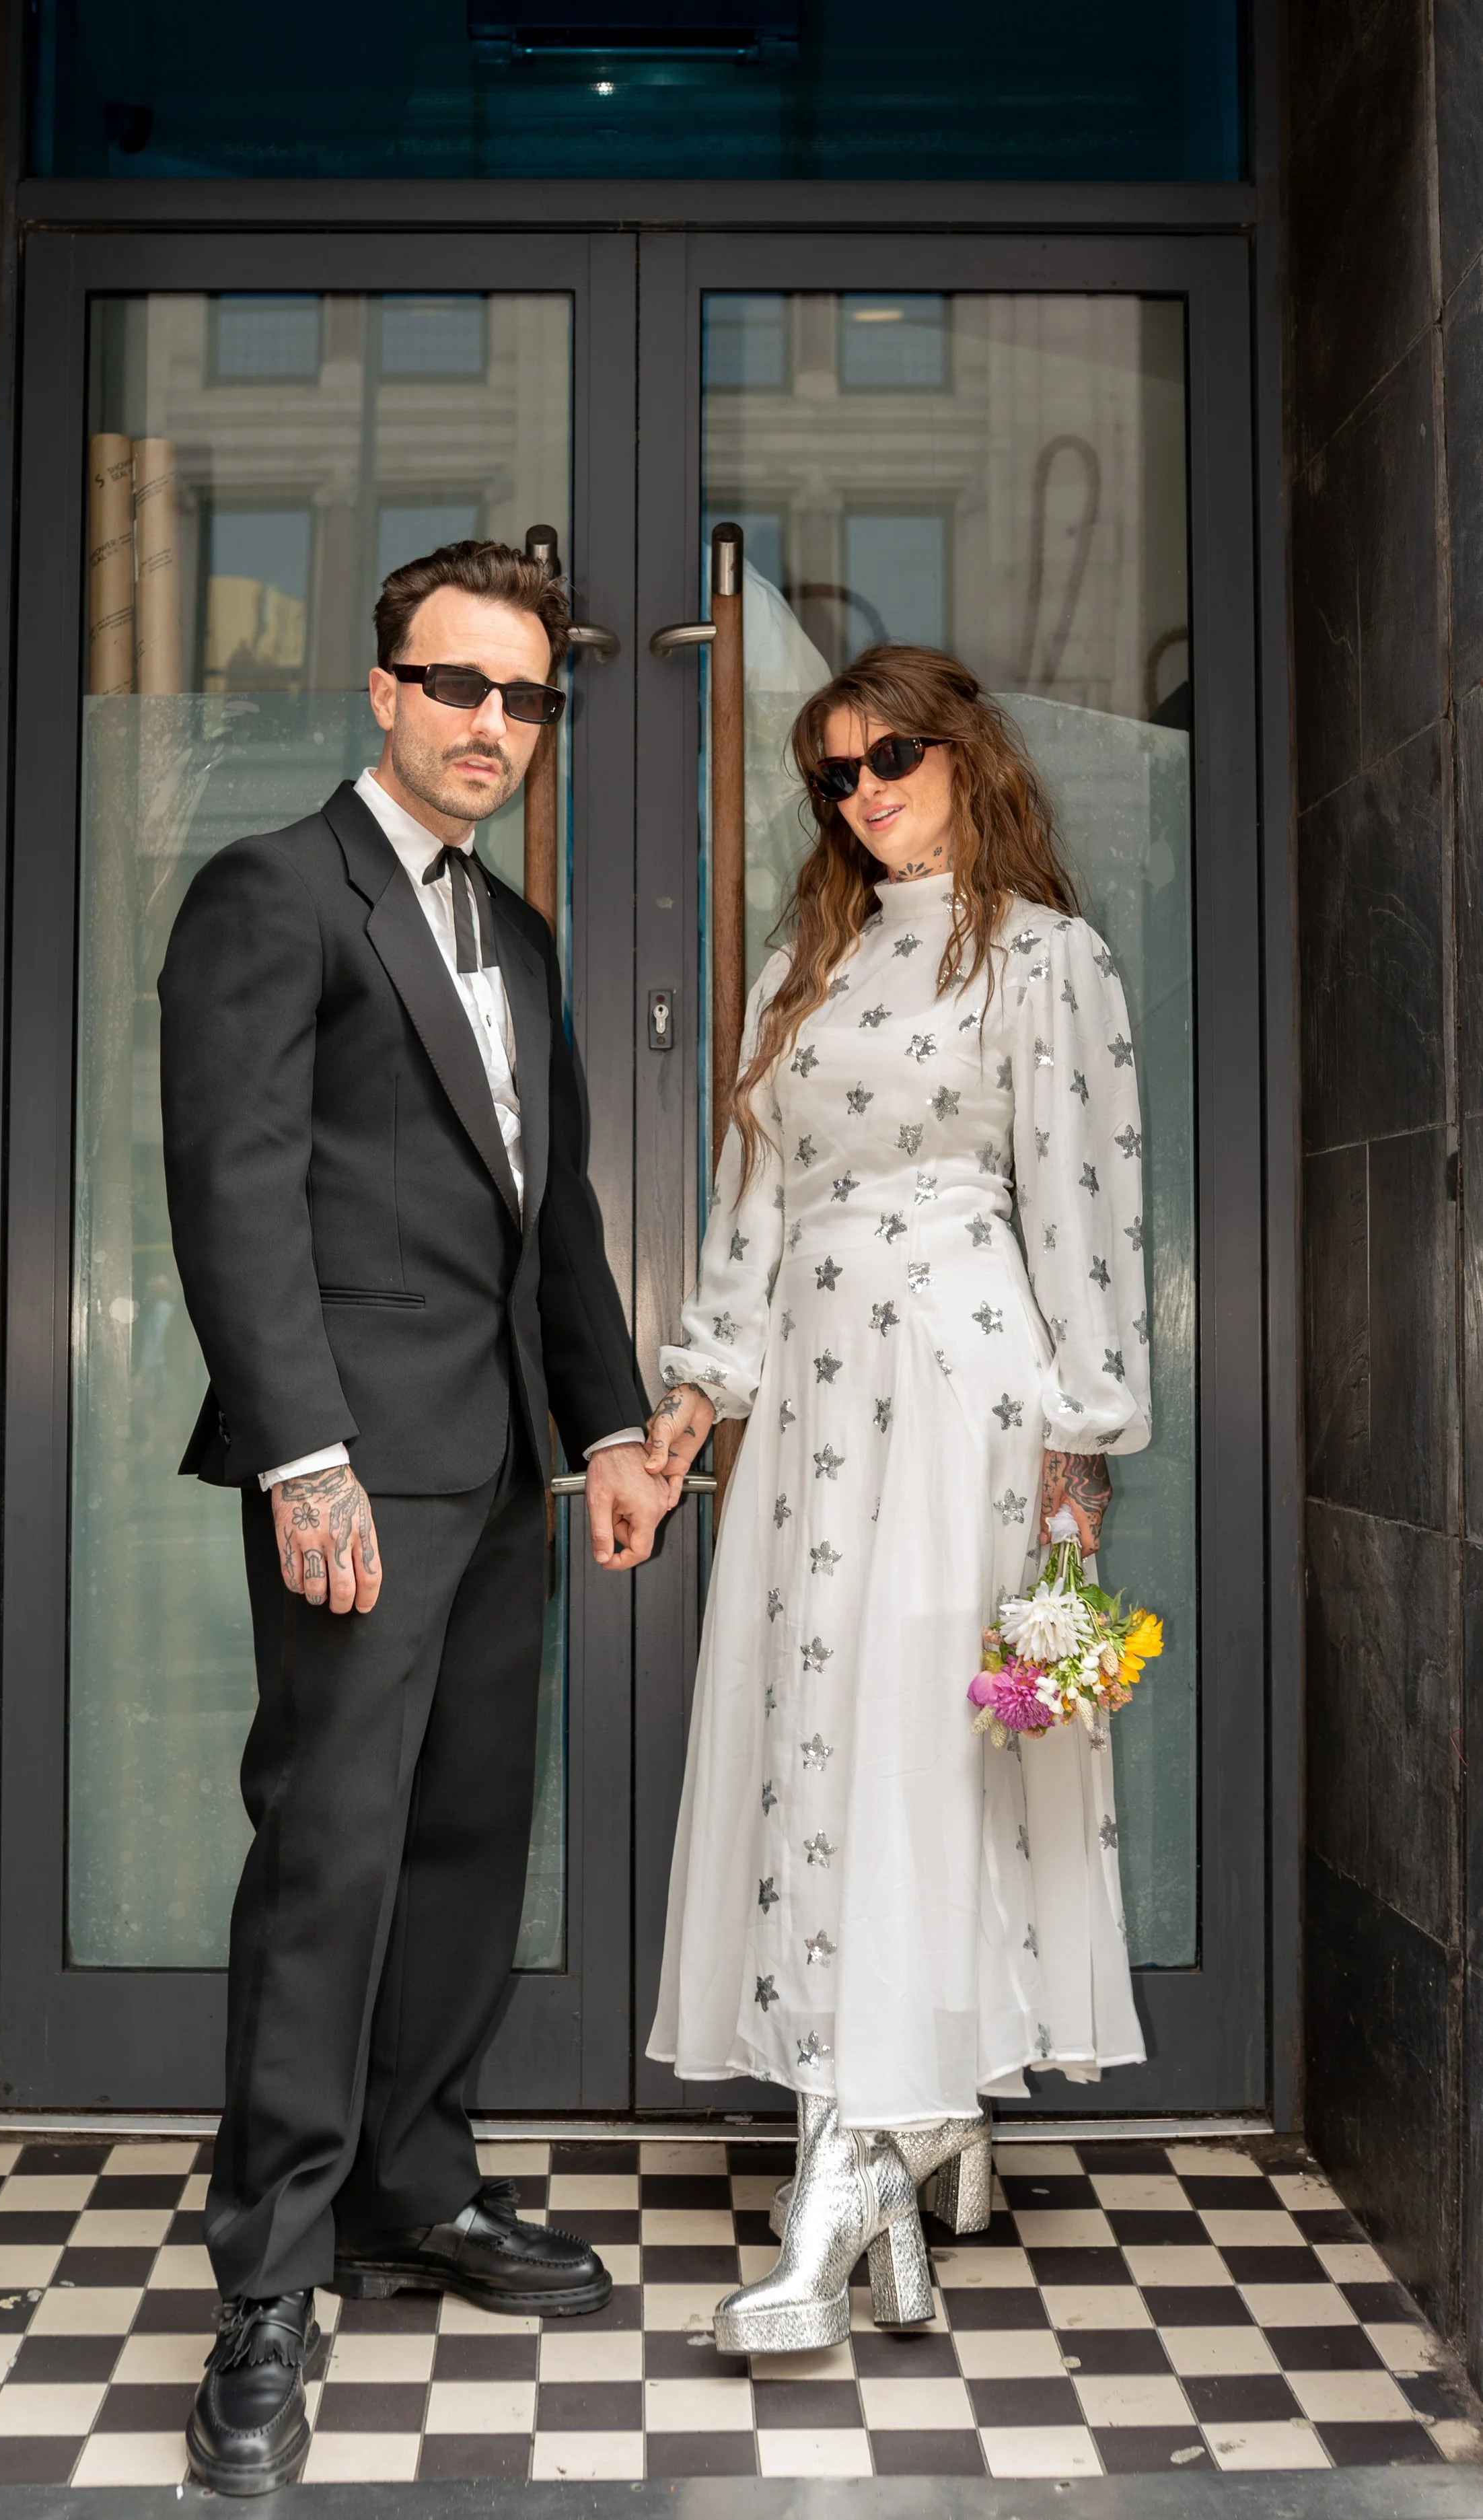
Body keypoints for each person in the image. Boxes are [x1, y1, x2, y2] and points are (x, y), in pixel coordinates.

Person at [159, 540, 667, 2494]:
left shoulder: (520, 940)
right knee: (328, 1862)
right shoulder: (273, 894)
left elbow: (558, 1229)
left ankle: (409, 2190)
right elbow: (235, 1193)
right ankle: (266, 2287)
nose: (491, 727)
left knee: (463, 1844)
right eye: (457, 686)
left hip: (503, 1465)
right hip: (354, 1476)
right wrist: (303, 1459)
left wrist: (609, 1431)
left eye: (524, 699)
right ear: (381, 688)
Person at [642, 645, 1151, 2356]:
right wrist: (693, 1404)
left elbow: (1083, 1211)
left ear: (965, 758)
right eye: (831, 776)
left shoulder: (1046, 960)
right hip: (806, 1406)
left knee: (921, 1759)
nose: (861, 794)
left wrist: (1075, 1469)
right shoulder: (809, 956)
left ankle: (850, 2179)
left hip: (958, 1388)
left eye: (891, 759)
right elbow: (751, 1204)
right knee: (815, 1742)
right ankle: (864, 2171)